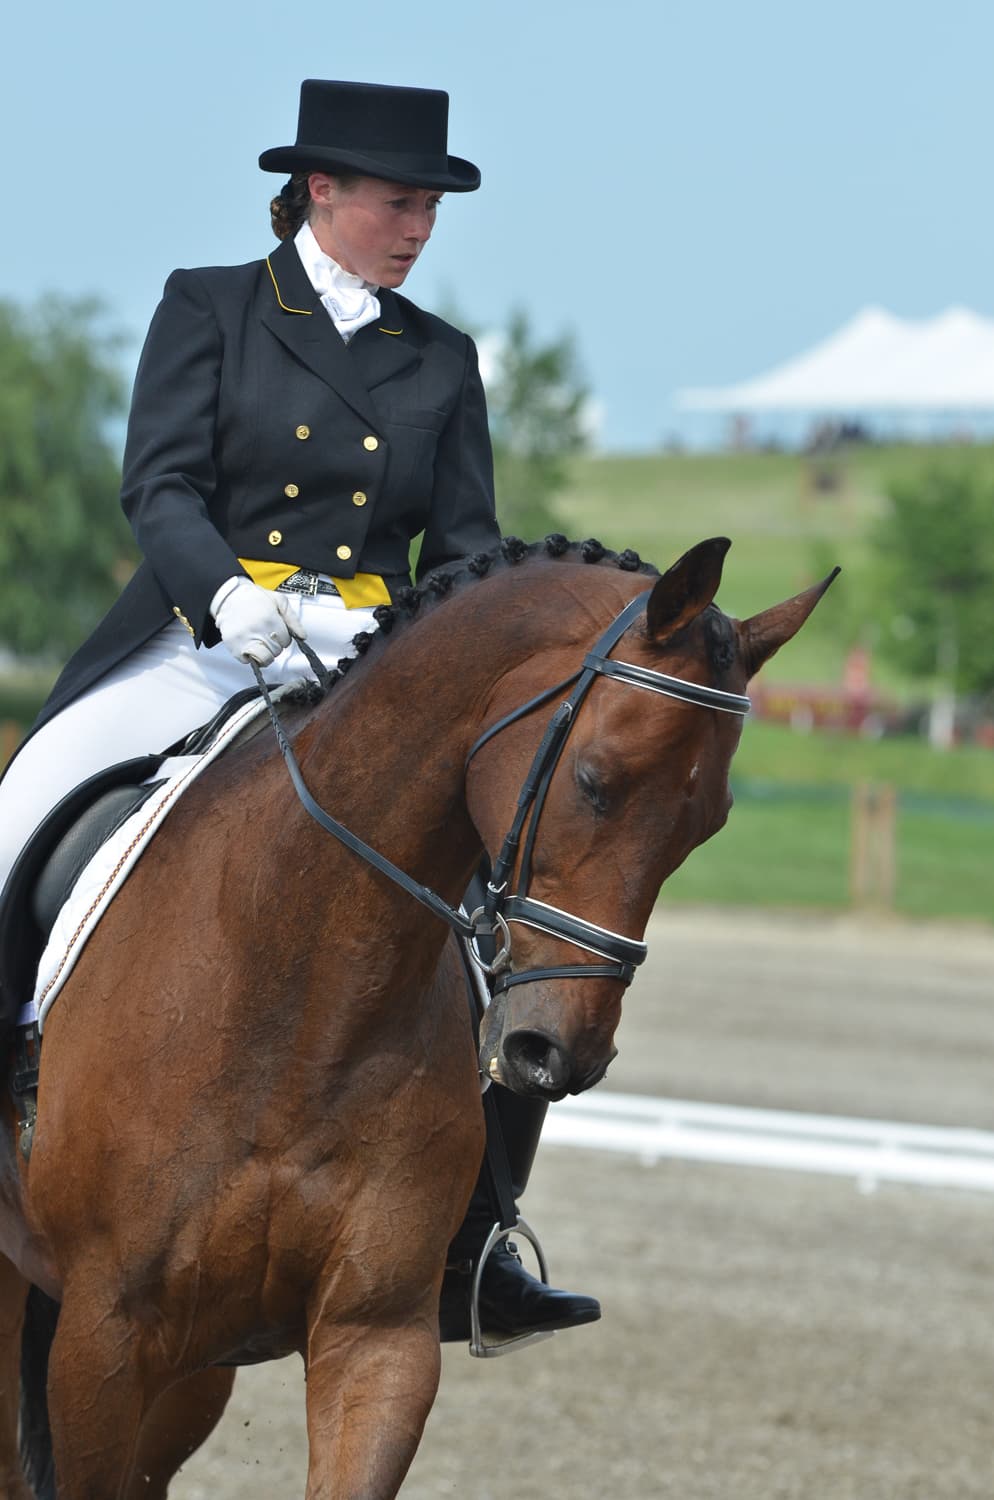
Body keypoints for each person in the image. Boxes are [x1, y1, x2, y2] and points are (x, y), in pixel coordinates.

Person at [0, 79, 599, 1342]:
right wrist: (228, 597)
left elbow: (467, 550)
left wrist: (433, 650)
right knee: (23, 809)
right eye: (400, 203)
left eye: (431, 208)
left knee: (510, 914)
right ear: (320, 190)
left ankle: (479, 1238)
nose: (419, 228)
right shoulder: (212, 305)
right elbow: (159, 485)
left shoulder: (441, 358)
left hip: (370, 669)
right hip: (203, 641)